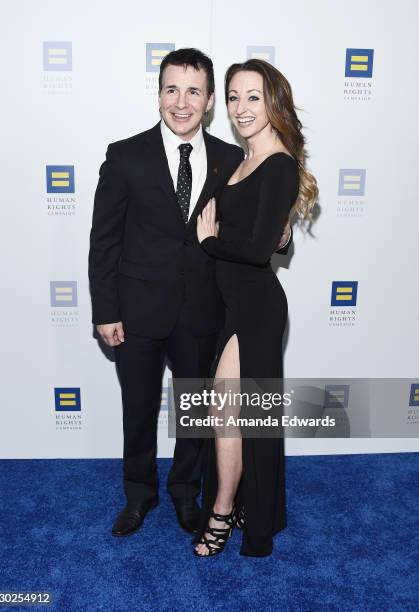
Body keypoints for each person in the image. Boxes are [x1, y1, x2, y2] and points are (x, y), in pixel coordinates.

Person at [88, 49, 291, 539]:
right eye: (171, 90)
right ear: (158, 93)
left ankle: (186, 493)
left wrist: (282, 235)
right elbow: (104, 240)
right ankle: (139, 495)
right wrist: (105, 310)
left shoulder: (230, 158)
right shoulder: (125, 155)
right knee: (137, 411)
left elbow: (254, 224)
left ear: (209, 101)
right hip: (135, 313)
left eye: (193, 91)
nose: (181, 102)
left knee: (197, 414)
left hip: (204, 312)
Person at [194, 59, 318, 557]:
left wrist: (209, 241)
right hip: (232, 305)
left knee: (228, 412)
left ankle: (223, 512)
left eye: (252, 97)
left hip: (257, 308)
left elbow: (254, 250)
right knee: (240, 415)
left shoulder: (280, 163)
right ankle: (250, 503)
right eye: (232, 97)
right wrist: (273, 238)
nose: (241, 108)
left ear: (273, 102)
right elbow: (268, 236)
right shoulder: (242, 161)